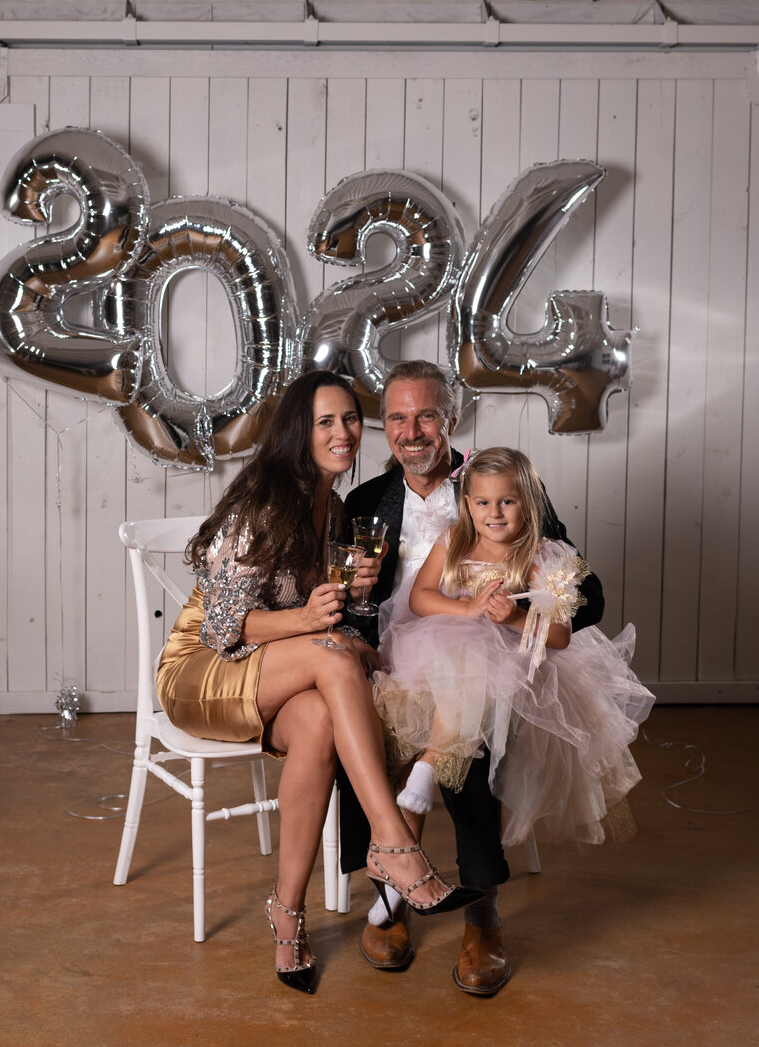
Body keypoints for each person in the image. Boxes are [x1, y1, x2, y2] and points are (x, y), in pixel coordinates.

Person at [154, 370, 481, 996]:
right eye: (325, 421)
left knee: (323, 718)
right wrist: (312, 622)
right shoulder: (268, 498)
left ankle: (287, 916)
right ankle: (392, 842)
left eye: (351, 419)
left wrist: (353, 605)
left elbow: (326, 620)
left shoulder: (336, 508)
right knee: (334, 660)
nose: (343, 432)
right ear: (298, 432)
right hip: (203, 668)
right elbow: (223, 626)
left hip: (271, 667)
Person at [341, 360, 606, 995]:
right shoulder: (364, 502)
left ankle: (482, 910)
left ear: (450, 420)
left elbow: (582, 590)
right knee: (355, 716)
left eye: (426, 415)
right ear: (385, 427)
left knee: (469, 723)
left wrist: (525, 611)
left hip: (496, 659)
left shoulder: (498, 484)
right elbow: (345, 596)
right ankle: (397, 886)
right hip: (393, 657)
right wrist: (351, 600)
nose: (412, 431)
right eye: (398, 418)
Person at [374, 446, 654, 854]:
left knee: (479, 670)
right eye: (484, 502)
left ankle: (428, 768)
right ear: (467, 505)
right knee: (454, 669)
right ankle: (403, 846)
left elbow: (559, 636)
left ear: (529, 502)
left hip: (515, 659)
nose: (496, 513)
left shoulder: (540, 555)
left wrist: (514, 618)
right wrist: (467, 609)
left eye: (507, 501)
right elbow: (420, 598)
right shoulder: (454, 540)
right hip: (448, 648)